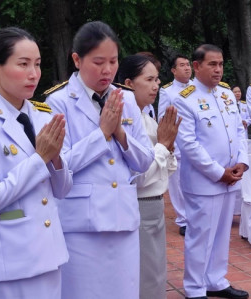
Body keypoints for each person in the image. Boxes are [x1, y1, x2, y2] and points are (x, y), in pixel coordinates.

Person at [0, 27, 72, 299]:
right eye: (23, 64)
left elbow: (63, 189)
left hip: (50, 253)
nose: (33, 74)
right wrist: (40, 158)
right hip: (9, 260)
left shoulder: (44, 115)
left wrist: (56, 159)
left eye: (37, 64)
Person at [45, 21, 154, 299]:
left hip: (124, 218)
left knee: (125, 291)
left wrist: (119, 133)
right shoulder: (58, 102)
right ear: (77, 60)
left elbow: (145, 161)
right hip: (82, 224)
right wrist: (103, 133)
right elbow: (60, 164)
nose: (107, 70)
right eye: (98, 62)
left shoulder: (127, 99)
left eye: (113, 61)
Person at [173, 44, 249, 299]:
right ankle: (195, 288)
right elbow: (189, 145)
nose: (218, 70)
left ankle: (216, 280)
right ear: (197, 66)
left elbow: (240, 130)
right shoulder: (185, 98)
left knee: (220, 235)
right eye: (212, 64)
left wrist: (243, 162)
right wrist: (219, 173)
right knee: (200, 236)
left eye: (221, 64)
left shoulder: (227, 94)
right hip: (203, 182)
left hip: (230, 179)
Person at [116, 54, 181, 299]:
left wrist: (167, 147)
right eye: (149, 79)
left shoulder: (148, 119)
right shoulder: (126, 121)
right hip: (139, 204)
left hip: (154, 205)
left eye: (158, 79)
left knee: (155, 274)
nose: (156, 85)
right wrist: (163, 147)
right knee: (145, 277)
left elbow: (168, 169)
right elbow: (138, 178)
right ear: (129, 83)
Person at [158, 54, 193, 236]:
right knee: (177, 183)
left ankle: (195, 216)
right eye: (182, 65)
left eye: (188, 64)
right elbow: (162, 119)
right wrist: (168, 143)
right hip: (178, 143)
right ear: (173, 70)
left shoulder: (198, 87)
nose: (187, 68)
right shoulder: (167, 91)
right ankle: (183, 219)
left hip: (196, 143)